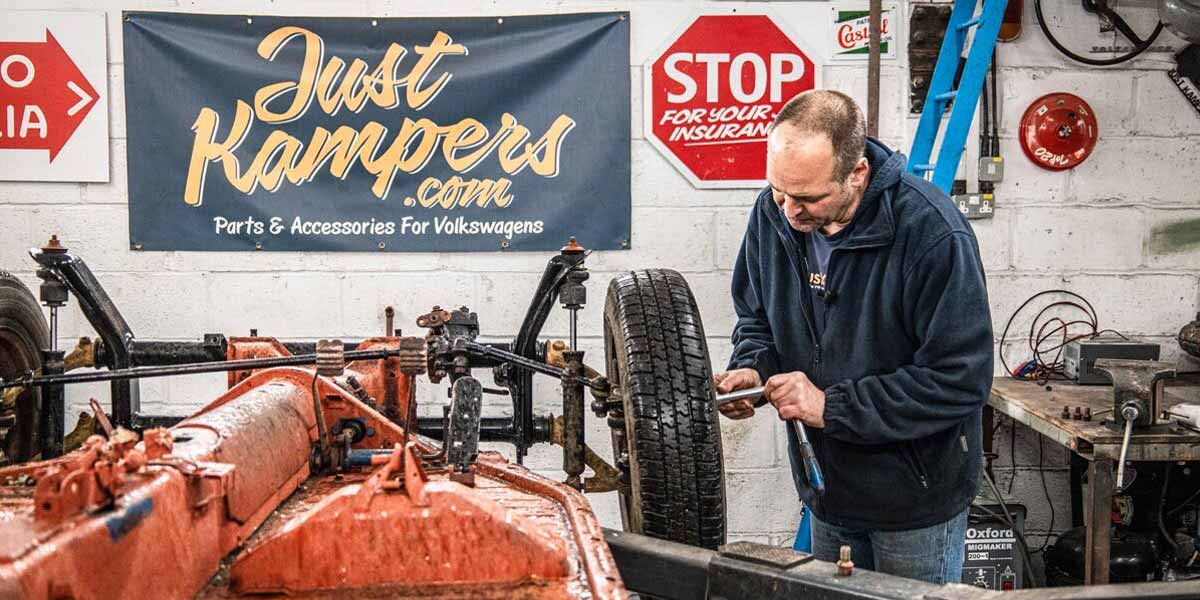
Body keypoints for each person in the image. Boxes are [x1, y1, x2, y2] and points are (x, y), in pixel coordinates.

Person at [713, 89, 993, 584]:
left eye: (808, 198)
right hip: (828, 491)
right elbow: (755, 317)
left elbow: (960, 380)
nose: (789, 211)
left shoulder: (931, 233)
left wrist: (830, 407)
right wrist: (754, 369)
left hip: (915, 501)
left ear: (857, 174)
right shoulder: (772, 218)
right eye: (779, 190)